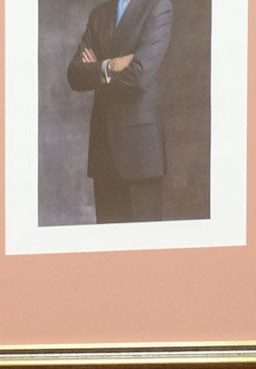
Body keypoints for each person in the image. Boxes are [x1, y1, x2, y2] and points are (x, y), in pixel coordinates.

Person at [67, 0, 174, 224]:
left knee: (145, 246)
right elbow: (75, 74)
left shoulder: (158, 6)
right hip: (103, 151)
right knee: (107, 247)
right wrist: (110, 65)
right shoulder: (99, 14)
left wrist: (96, 71)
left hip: (140, 153)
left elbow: (139, 76)